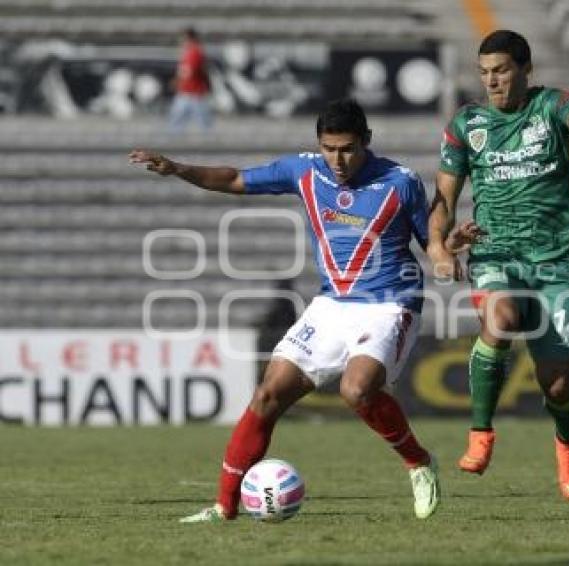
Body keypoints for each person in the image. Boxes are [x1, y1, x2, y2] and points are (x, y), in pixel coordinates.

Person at [130, 98, 440, 521]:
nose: (338, 159)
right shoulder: (304, 170)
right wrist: (179, 168)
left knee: (356, 389)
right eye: (329, 148)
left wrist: (449, 251)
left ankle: (418, 462)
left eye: (347, 148)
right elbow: (236, 178)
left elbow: (433, 242)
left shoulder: (400, 181)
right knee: (268, 393)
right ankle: (224, 507)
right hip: (331, 305)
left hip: (389, 303)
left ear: (366, 141)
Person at [427, 30, 569, 501]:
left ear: (525, 69)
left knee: (557, 382)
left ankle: (567, 442)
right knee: (501, 319)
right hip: (497, 254)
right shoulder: (466, 124)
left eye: (501, 70)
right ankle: (481, 432)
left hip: (554, 261)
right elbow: (443, 198)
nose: (492, 81)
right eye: (484, 72)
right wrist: (439, 247)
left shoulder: (551, 105)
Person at [168, 27, 212, 133]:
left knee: (203, 124)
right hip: (188, 92)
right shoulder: (191, 52)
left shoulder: (194, 52)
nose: (182, 41)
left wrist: (175, 82)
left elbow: (187, 73)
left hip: (193, 93)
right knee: (176, 122)